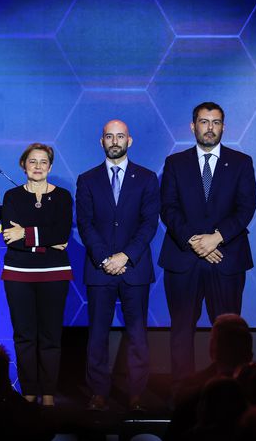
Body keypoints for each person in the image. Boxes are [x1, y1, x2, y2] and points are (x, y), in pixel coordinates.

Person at [159, 101, 256, 384]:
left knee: (229, 334)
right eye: (204, 121)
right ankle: (181, 394)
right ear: (193, 126)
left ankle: (230, 392)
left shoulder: (241, 162)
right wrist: (194, 241)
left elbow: (246, 207)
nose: (210, 128)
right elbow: (168, 207)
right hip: (182, 259)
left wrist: (216, 238)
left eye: (215, 122)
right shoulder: (175, 163)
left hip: (226, 259)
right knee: (181, 330)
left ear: (223, 127)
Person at [76, 119, 159, 412]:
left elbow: (150, 224)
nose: (115, 141)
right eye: (109, 136)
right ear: (101, 142)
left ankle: (136, 395)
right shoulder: (86, 180)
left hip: (134, 269)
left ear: (130, 141)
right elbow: (85, 225)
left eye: (120, 136)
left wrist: (125, 256)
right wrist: (104, 259)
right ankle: (98, 393)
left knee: (137, 336)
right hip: (100, 271)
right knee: (97, 336)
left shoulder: (148, 178)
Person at [0, 143, 72, 407]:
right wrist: (45, 238)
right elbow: (10, 237)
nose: (38, 166)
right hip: (19, 274)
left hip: (54, 274)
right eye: (33, 162)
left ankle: (49, 394)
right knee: (24, 335)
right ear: (23, 165)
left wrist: (27, 234)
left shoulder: (63, 196)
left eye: (43, 162)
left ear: (50, 167)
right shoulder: (12, 197)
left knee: (51, 336)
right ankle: (29, 391)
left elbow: (62, 235)